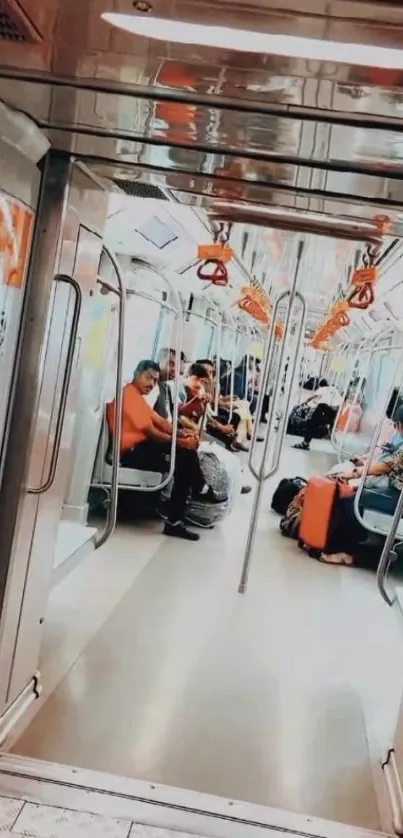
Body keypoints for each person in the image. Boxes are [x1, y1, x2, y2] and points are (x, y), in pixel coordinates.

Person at [106, 360, 224, 541]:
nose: (151, 384)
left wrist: (180, 433)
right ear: (137, 374)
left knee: (185, 457)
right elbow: (151, 432)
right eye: (148, 378)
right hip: (132, 453)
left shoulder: (135, 396)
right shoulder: (128, 395)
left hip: (142, 447)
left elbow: (159, 421)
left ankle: (189, 500)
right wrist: (179, 442)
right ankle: (188, 502)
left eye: (155, 380)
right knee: (183, 457)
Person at [293, 379, 342, 450]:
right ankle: (336, 441)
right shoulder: (335, 390)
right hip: (333, 410)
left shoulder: (323, 389)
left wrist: (304, 403)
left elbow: (311, 397)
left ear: (320, 385)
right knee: (332, 425)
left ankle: (305, 443)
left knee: (312, 425)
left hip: (322, 408)